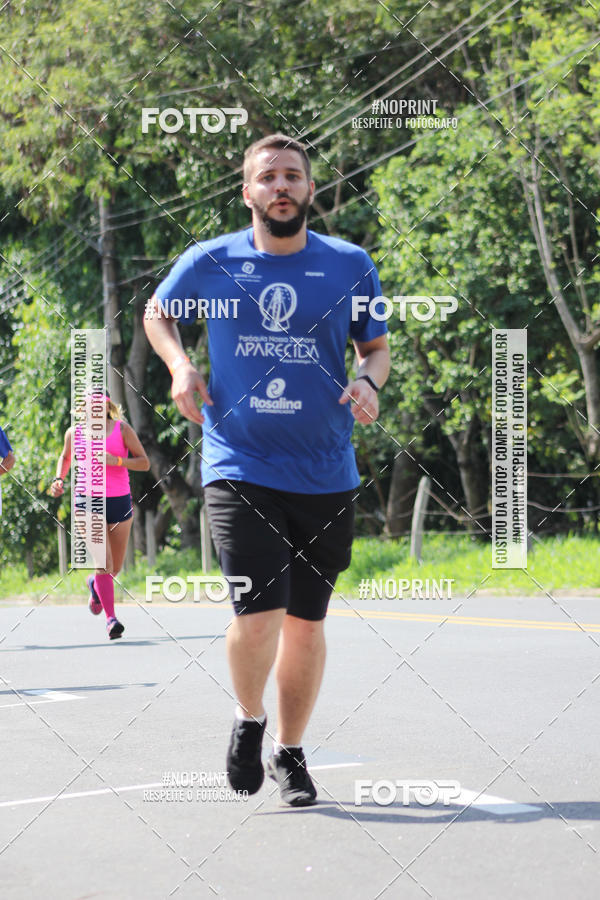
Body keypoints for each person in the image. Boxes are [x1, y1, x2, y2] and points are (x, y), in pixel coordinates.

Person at [144, 133, 390, 805]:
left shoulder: (349, 265)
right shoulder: (211, 262)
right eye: (268, 177)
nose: (281, 186)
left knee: (307, 623)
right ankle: (249, 720)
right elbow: (158, 313)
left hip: (326, 471)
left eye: (293, 176)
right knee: (260, 613)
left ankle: (291, 751)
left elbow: (374, 348)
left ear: (309, 190)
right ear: (247, 192)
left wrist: (370, 383)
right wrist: (180, 366)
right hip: (239, 462)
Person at [50, 393, 150, 639]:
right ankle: (111, 620)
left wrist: (116, 460)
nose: (93, 410)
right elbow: (65, 457)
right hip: (86, 502)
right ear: (82, 409)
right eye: (88, 406)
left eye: (99, 405)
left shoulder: (122, 429)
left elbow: (144, 463)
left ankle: (95, 585)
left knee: (113, 567)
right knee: (103, 563)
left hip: (119, 501)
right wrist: (58, 479)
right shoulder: (74, 433)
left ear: (107, 406)